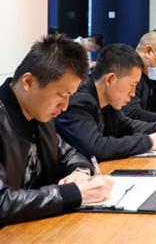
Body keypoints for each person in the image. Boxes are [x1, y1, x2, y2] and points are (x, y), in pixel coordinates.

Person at [0, 34, 112, 226]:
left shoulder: (39, 113)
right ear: (28, 82)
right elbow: (3, 202)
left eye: (70, 96)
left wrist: (80, 171)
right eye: (61, 95)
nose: (65, 106)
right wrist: (72, 194)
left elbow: (69, 153)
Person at [56, 44, 156, 161]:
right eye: (132, 85)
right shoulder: (78, 100)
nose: (133, 93)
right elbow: (96, 147)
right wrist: (149, 142)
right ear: (110, 79)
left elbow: (126, 125)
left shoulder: (107, 100)